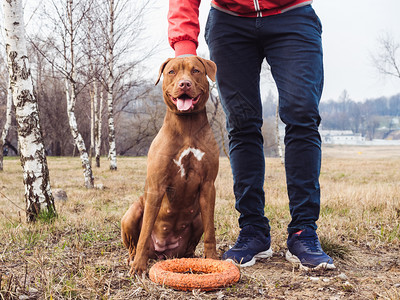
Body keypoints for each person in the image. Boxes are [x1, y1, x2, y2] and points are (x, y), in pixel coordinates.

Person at [168, 0, 335, 270]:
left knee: (302, 114)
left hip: (292, 15)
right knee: (242, 122)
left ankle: (304, 232)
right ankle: (253, 230)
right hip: (229, 20)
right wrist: (184, 47)